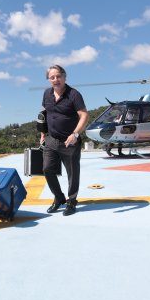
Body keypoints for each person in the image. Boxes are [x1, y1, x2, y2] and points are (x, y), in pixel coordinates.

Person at [40, 65, 89, 216]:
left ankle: (72, 201)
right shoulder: (47, 94)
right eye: (52, 77)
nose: (56, 79)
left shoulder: (74, 94)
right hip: (52, 140)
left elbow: (84, 115)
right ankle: (59, 198)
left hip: (70, 141)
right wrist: (43, 134)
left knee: (72, 173)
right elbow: (44, 114)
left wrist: (75, 134)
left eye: (58, 76)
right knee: (47, 169)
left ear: (64, 77)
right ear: (49, 80)